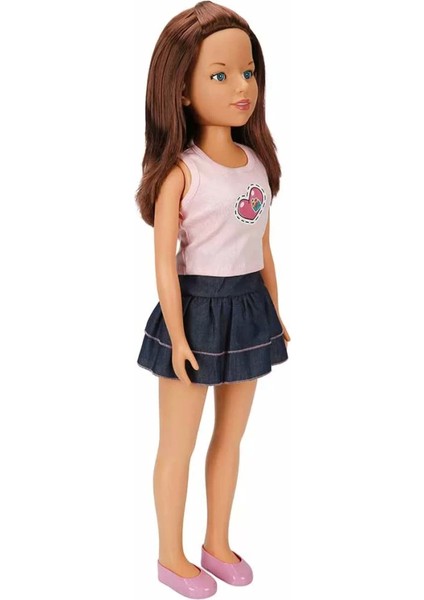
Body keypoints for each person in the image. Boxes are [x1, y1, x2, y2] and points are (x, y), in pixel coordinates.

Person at [134, 1, 290, 597]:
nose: (241, 86)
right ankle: (170, 556)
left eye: (247, 72)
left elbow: (263, 245)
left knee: (230, 438)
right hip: (195, 310)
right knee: (178, 443)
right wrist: (176, 334)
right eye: (220, 75)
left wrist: (276, 312)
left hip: (249, 308)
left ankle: (216, 543)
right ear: (180, 90)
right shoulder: (183, 172)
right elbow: (164, 264)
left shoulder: (255, 164)